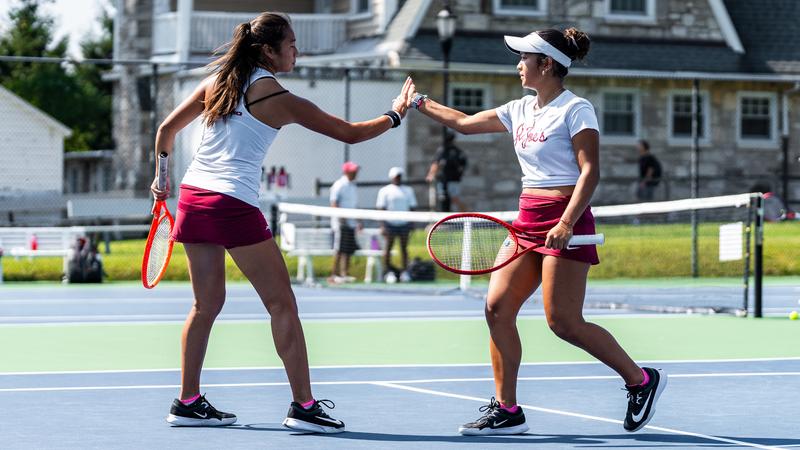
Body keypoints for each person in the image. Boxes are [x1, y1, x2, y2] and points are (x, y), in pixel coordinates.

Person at [150, 12, 413, 432]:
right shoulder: (275, 95)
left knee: (205, 305)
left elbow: (166, 131)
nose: (297, 50)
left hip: (194, 198)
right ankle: (304, 407)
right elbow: (349, 133)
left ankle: (187, 401)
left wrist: (161, 182)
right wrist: (396, 114)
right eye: (290, 43)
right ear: (268, 51)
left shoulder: (216, 83)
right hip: (231, 202)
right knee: (282, 303)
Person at [406, 27, 666, 436]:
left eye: (524, 58)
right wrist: (417, 102)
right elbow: (465, 122)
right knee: (495, 308)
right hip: (527, 220)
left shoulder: (576, 109)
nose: (518, 65)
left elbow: (589, 171)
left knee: (563, 322)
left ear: (546, 64)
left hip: (567, 219)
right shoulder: (519, 109)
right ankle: (507, 409)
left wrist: (565, 222)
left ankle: (641, 380)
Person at [376, 166, 418, 282]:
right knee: (388, 248)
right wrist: (383, 225)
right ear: (391, 177)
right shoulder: (384, 191)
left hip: (404, 224)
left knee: (404, 248)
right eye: (396, 176)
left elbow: (412, 207)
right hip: (390, 224)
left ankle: (405, 272)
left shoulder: (408, 190)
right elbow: (381, 209)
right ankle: (388, 272)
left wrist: (412, 223)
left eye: (399, 176)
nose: (398, 178)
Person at [329, 161, 360, 283]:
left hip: (351, 223)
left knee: (348, 249)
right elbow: (334, 202)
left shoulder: (353, 186)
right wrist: (342, 218)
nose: (356, 173)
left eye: (356, 170)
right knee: (339, 249)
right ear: (346, 171)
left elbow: (354, 205)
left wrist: (359, 221)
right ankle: (333, 275)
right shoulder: (339, 185)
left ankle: (344, 274)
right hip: (340, 224)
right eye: (353, 171)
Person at [426, 131, 467, 211]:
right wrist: (431, 175)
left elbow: (436, 163)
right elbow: (436, 163)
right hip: (445, 180)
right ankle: (441, 219)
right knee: (443, 199)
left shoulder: (455, 151)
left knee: (454, 199)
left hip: (452, 180)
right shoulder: (444, 150)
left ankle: (467, 216)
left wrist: (431, 175)